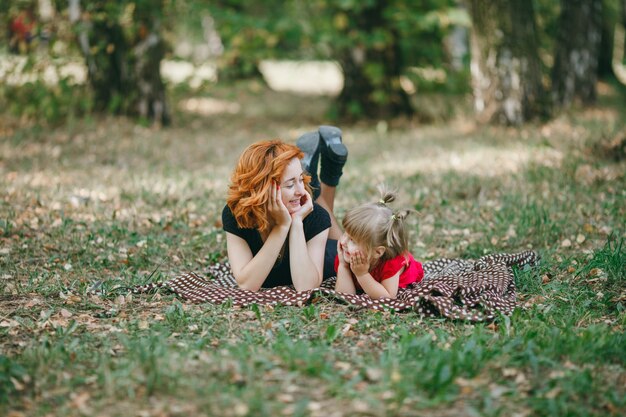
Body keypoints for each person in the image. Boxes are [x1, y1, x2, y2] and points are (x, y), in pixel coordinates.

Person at [222, 126, 348, 292]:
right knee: (312, 196)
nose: (301, 190)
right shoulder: (236, 214)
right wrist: (281, 227)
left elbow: (306, 288)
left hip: (329, 252)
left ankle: (329, 171)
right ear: (263, 189)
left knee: (349, 246)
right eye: (290, 184)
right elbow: (247, 285)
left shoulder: (315, 217)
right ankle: (320, 175)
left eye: (301, 180)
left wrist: (295, 222)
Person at [334, 188, 424, 299]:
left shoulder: (391, 263)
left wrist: (362, 274)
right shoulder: (347, 255)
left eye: (352, 240)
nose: (343, 242)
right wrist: (343, 266)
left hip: (398, 281)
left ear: (377, 252)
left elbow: (387, 297)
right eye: (344, 234)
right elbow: (345, 296)